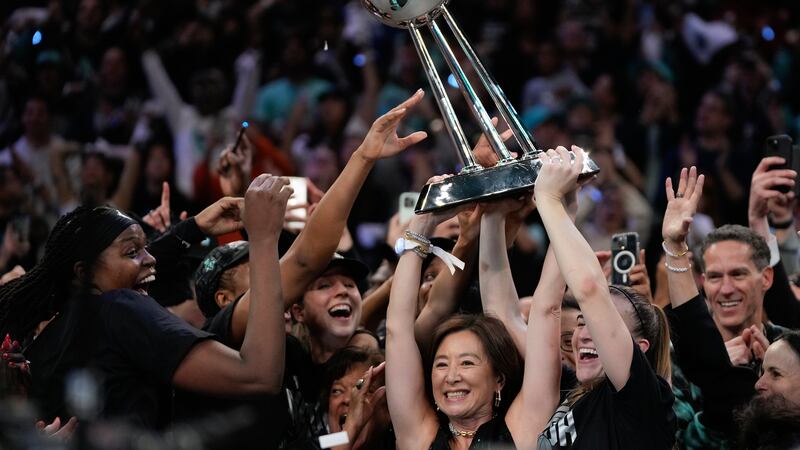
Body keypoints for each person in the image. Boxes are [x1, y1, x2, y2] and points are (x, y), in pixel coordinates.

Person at [0, 173, 291, 429]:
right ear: (82, 273)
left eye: (145, 248)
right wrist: (264, 239)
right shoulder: (119, 309)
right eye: (132, 252)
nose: (149, 258)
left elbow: (124, 264)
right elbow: (258, 376)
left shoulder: (43, 345)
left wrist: (193, 228)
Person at [535, 146, 675, 449]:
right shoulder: (571, 397)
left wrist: (548, 201)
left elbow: (588, 289)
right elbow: (545, 309)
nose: (585, 334)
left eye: (598, 325)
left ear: (639, 349)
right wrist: (568, 212)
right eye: (583, 323)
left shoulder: (644, 400)